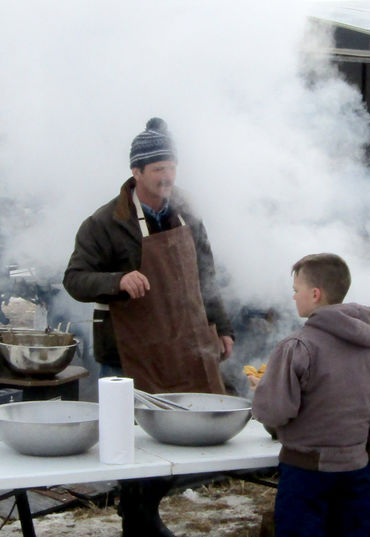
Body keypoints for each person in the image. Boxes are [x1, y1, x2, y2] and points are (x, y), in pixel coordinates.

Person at [63, 117, 234, 537]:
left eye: (171, 166)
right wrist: (116, 281)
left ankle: (148, 508)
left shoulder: (187, 214)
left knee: (184, 435)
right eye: (157, 169)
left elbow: (206, 276)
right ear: (136, 173)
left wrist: (223, 327)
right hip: (127, 351)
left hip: (184, 343)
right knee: (130, 443)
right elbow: (75, 278)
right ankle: (137, 518)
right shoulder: (104, 223)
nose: (167, 176)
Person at [249, 253, 370, 537]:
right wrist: (368, 455)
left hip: (306, 474)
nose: (293, 297)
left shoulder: (298, 346)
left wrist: (263, 390)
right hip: (356, 471)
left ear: (315, 294)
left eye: (296, 291)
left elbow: (275, 411)